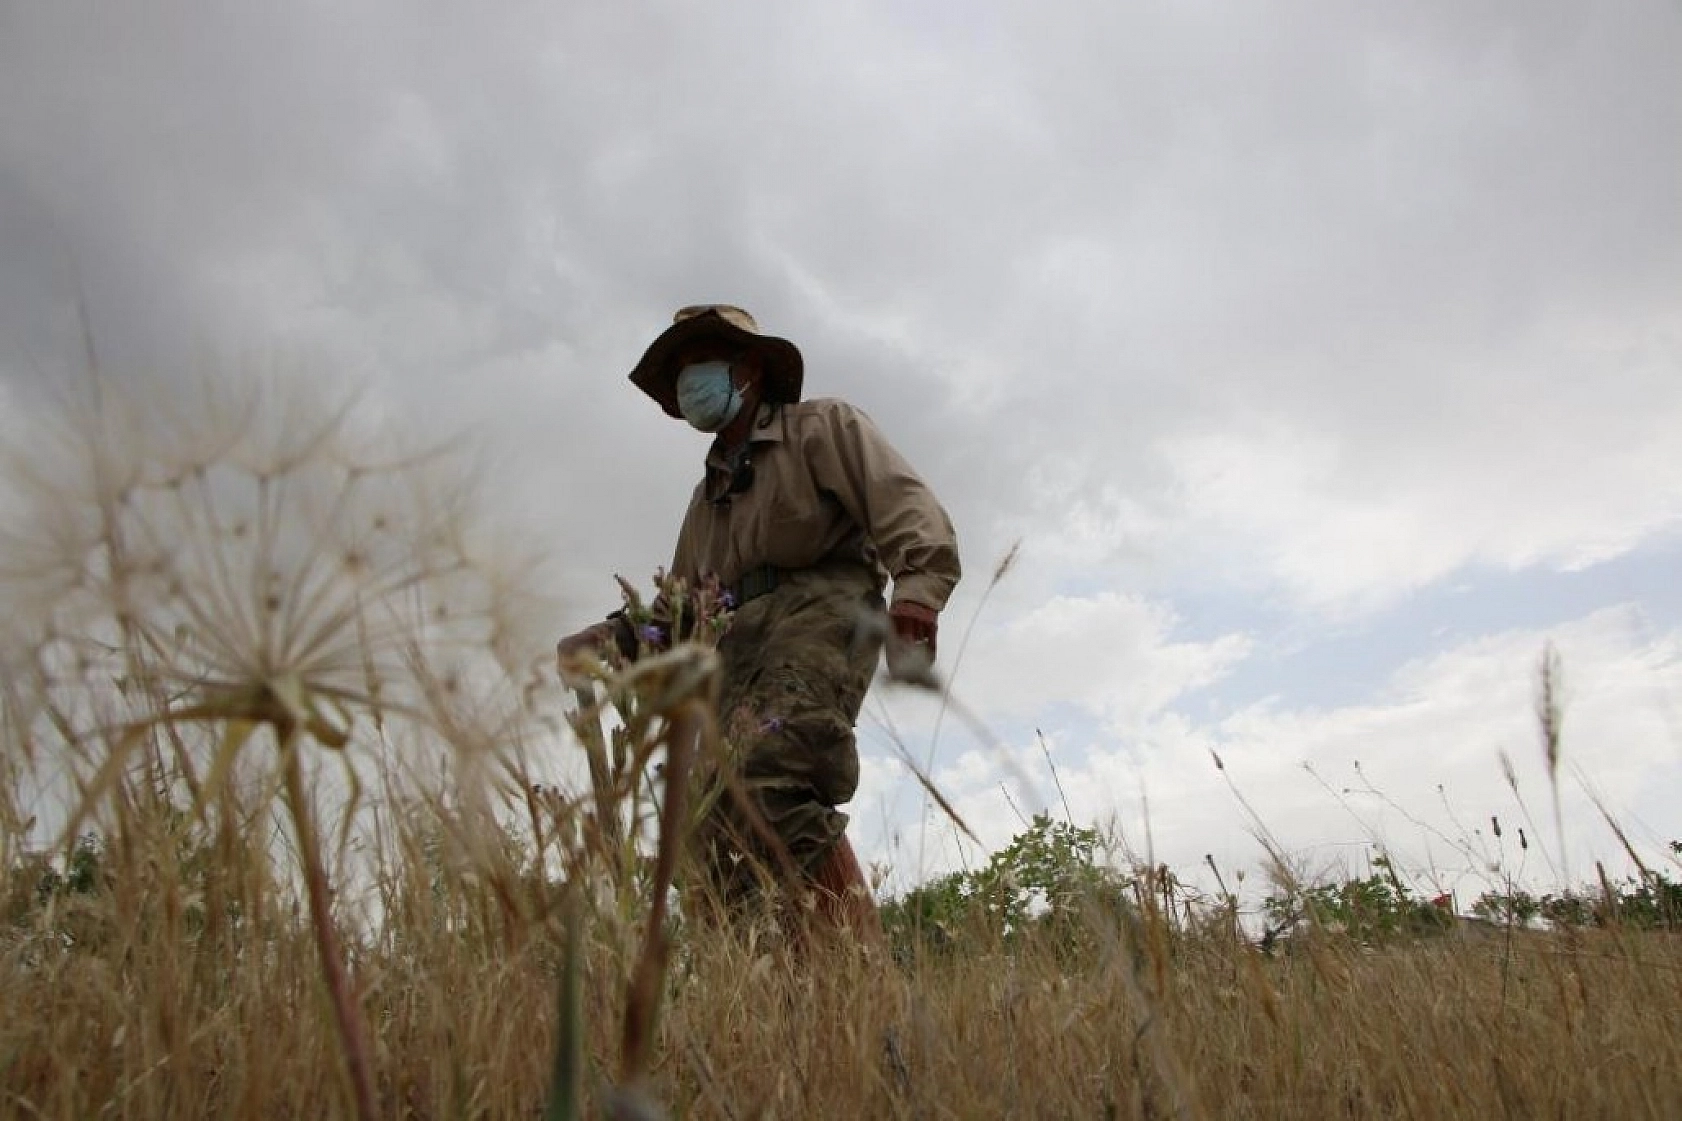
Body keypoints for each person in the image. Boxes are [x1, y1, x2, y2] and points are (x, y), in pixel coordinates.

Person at [556, 304, 961, 933]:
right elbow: (681, 604)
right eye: (680, 370)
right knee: (710, 820)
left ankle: (861, 969)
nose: (689, 382)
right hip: (736, 649)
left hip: (821, 613)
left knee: (774, 772)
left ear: (749, 369)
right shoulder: (707, 498)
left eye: (700, 362)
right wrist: (615, 635)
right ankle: (779, 976)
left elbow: (903, 504)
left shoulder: (822, 428)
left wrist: (918, 590)